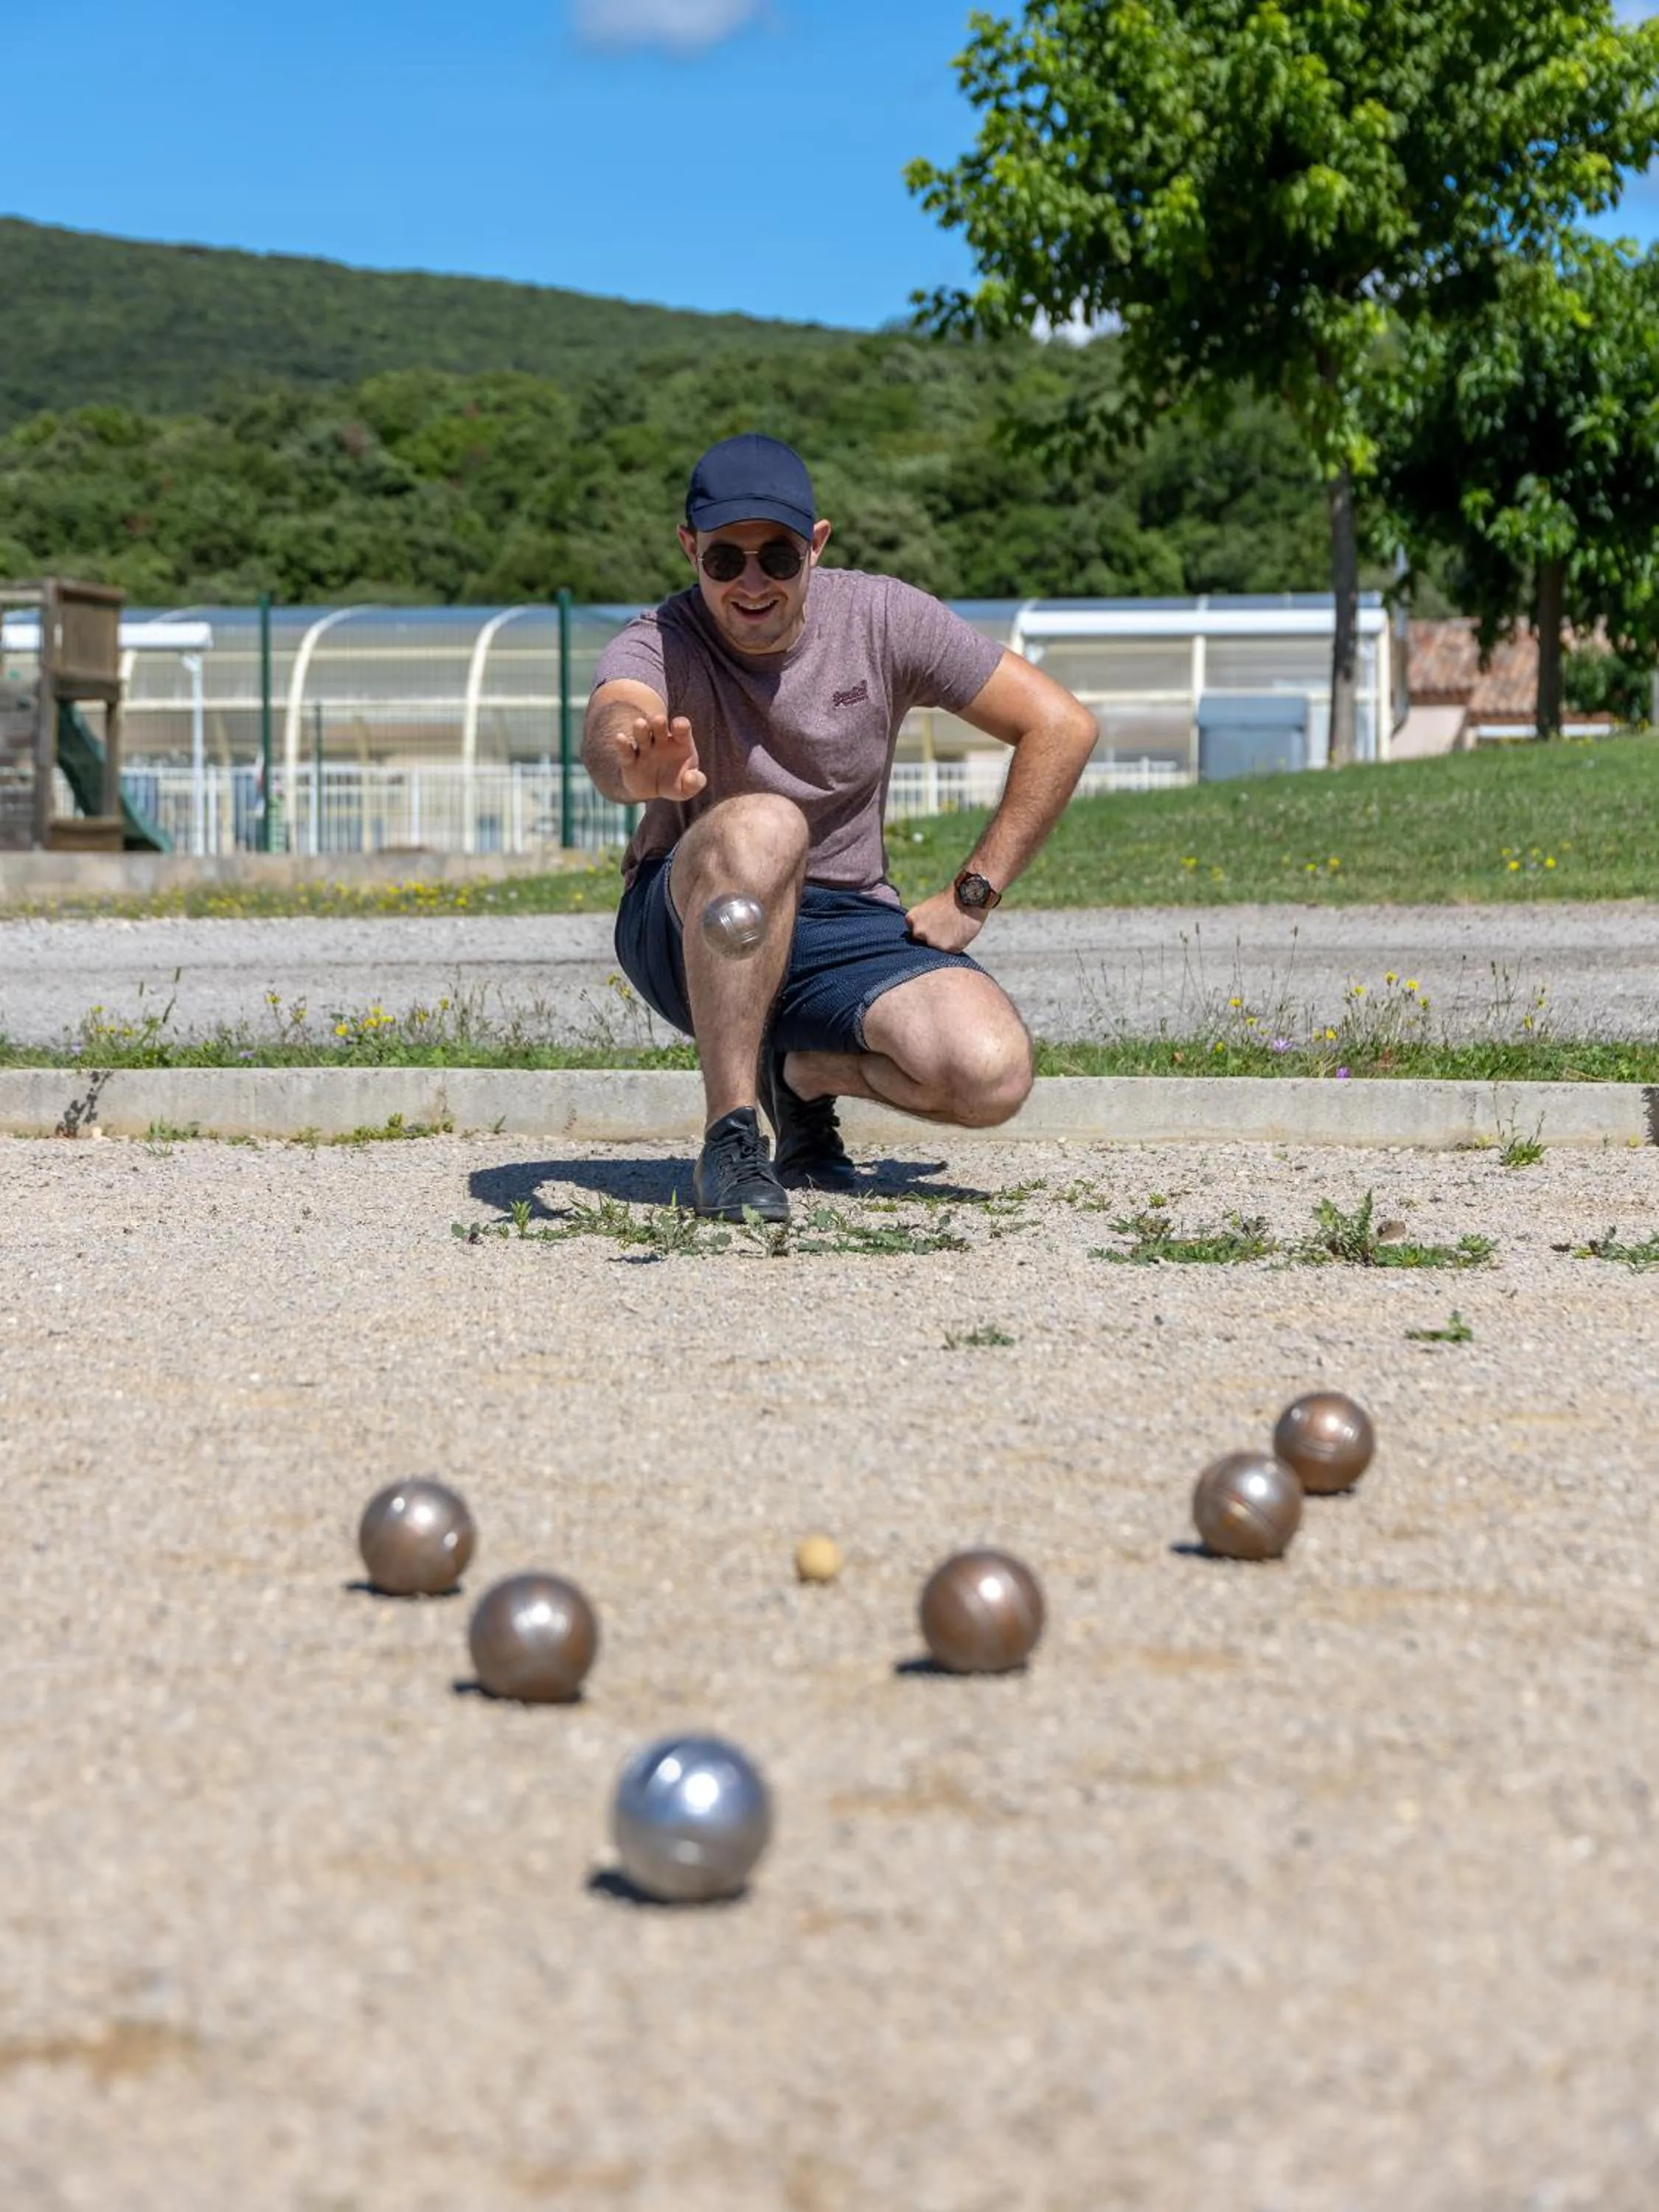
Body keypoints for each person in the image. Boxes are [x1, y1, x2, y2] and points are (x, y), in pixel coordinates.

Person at [582, 432, 1098, 1222]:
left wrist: (973, 893)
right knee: (765, 825)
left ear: (815, 547)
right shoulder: (660, 638)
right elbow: (617, 714)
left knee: (990, 1073)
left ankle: (803, 1076)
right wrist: (629, 765)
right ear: (690, 550)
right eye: (725, 560)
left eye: (777, 558)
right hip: (687, 925)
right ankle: (732, 1139)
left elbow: (1060, 725)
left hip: (842, 922)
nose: (751, 582)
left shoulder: (884, 617)